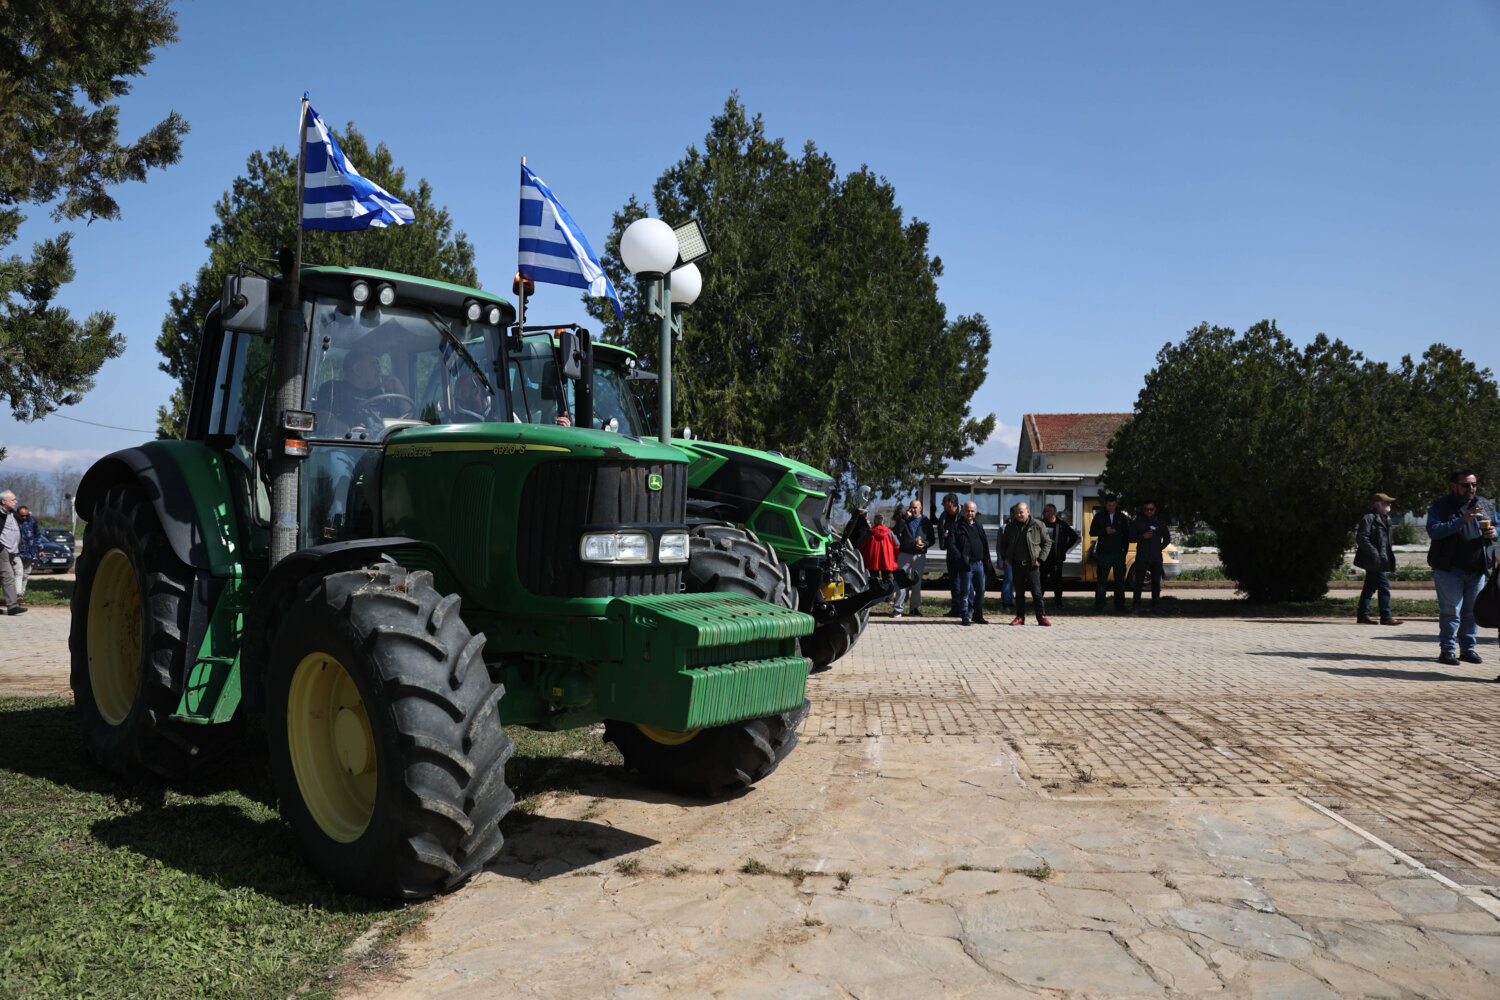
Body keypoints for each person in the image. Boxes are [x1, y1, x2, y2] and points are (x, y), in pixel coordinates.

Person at [1426, 469, 1497, 666]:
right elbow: (1434, 531)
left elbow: (1499, 525)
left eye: (1474, 485)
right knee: (1451, 611)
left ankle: (1468, 649)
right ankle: (1447, 651)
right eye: (1466, 485)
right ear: (1453, 486)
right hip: (1449, 569)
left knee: (1471, 612)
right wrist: (1462, 520)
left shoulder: (1484, 505)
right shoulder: (1441, 506)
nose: (1471, 489)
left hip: (1477, 568)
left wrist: (1495, 531)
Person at [311, 348, 407, 437]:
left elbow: (407, 417)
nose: (379, 367)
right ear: (357, 369)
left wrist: (398, 388)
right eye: (374, 363)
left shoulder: (378, 393)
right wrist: (350, 431)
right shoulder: (333, 388)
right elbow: (322, 418)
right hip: (347, 447)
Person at [1000, 502, 1053, 626]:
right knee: (1019, 593)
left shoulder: (1038, 525)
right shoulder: (1010, 527)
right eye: (1017, 512)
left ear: (1028, 512)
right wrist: (1005, 558)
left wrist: (1040, 559)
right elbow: (1003, 544)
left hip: (1032, 565)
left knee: (1036, 592)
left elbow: (1047, 543)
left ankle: (1041, 617)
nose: (1019, 515)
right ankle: (1020, 617)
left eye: (1021, 512)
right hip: (1017, 564)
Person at [1355, 493, 1402, 626]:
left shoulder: (1386, 519)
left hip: (1380, 559)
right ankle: (1386, 617)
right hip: (1373, 559)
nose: (1389, 505)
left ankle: (1362, 615)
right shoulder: (1369, 518)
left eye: (1389, 502)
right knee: (1384, 586)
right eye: (1386, 502)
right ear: (1377, 503)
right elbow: (1362, 538)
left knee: (1369, 587)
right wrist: (1374, 553)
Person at [947, 500, 997, 626]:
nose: (970, 513)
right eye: (968, 510)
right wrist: (961, 558)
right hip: (966, 565)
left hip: (979, 564)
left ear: (975, 512)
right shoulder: (956, 526)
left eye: (972, 511)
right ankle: (965, 615)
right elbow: (951, 544)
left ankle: (978, 615)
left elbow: (984, 543)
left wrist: (987, 561)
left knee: (981, 591)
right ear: (963, 511)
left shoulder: (978, 525)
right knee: (965, 592)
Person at [891, 498, 936, 617]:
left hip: (919, 555)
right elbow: (895, 532)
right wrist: (904, 519)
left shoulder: (926, 521)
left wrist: (924, 544)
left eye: (915, 507)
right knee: (901, 581)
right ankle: (898, 609)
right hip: (904, 554)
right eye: (911, 507)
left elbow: (932, 539)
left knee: (917, 582)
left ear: (920, 508)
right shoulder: (905, 520)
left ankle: (914, 608)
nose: (912, 510)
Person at [1090, 494, 1130, 612]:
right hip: (1104, 553)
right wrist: (1104, 531)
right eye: (1109, 505)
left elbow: (1127, 534)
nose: (1111, 507)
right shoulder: (1099, 516)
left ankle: (1120, 605)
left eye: (1113, 505)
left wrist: (1124, 551)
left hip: (1118, 553)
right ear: (1105, 505)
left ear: (1116, 504)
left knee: (1120, 580)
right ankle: (1099, 605)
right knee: (1102, 580)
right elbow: (1091, 532)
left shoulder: (1122, 517)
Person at [1129, 502, 1171, 614]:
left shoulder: (1160, 523)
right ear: (1144, 510)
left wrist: (1159, 548)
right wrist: (1142, 536)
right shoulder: (1138, 523)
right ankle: (1136, 606)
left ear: (1155, 510)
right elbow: (1131, 538)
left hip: (1156, 558)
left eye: (1151, 509)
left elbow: (1167, 539)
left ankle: (1156, 606)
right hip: (1142, 557)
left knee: (1156, 583)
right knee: (1138, 583)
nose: (1149, 511)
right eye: (1147, 509)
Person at [1040, 504, 1080, 606]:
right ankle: (1038, 603)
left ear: (1052, 512)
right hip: (1043, 558)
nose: (1043, 513)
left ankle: (1058, 603)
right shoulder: (1041, 524)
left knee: (1057, 582)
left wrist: (1065, 548)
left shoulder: (1061, 524)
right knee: (1041, 582)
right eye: (1044, 511)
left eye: (1046, 511)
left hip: (1056, 559)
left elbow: (1074, 537)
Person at [936, 493, 964, 617]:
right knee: (953, 582)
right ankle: (955, 608)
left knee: (965, 582)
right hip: (951, 554)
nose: (942, 504)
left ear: (952, 503)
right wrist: (944, 537)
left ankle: (966, 609)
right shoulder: (943, 517)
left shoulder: (964, 515)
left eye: (944, 502)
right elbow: (940, 531)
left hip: (963, 554)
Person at [858, 514, 899, 594]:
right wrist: (897, 559)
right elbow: (897, 545)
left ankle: (875, 595)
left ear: (874, 522)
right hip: (888, 561)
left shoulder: (870, 533)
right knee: (888, 580)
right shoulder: (890, 533)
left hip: (873, 561)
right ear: (884, 521)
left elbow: (860, 544)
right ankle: (889, 598)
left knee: (874, 580)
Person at [0, 491, 25, 615]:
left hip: (12, 550)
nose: (16, 502)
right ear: (4, 501)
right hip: (2, 549)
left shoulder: (12, 514)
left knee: (2, 577)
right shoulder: (1, 513)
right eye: (13, 500)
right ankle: (12, 606)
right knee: (8, 576)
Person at [14, 504, 40, 606]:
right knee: (18, 572)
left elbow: (37, 535)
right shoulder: (12, 521)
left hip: (30, 551)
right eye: (22, 516)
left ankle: (21, 596)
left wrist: (40, 549)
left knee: (26, 573)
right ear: (17, 514)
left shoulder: (32, 521)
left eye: (26, 515)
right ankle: (17, 595)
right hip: (15, 551)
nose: (24, 517)